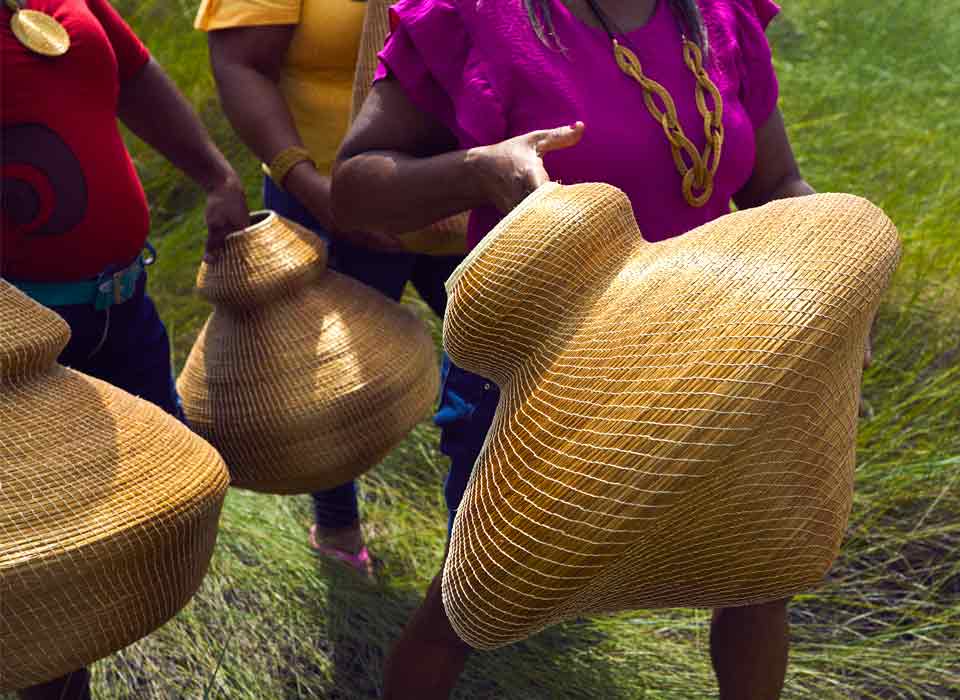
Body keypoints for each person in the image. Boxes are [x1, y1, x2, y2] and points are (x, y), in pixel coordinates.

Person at [331, 0, 855, 697]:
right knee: (476, 595)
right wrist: (478, 169)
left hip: (716, 357)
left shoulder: (717, 15)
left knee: (758, 576)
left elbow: (776, 184)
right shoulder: (474, 15)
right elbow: (356, 189)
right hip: (540, 372)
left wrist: (832, 274)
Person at [2, 0, 249, 697]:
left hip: (124, 311)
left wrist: (215, 174)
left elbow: (133, 75)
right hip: (22, 355)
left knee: (154, 515)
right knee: (48, 566)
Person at [195, 0, 467, 574]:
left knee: (510, 370)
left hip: (470, 200)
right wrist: (318, 190)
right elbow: (241, 64)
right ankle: (338, 529)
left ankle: (489, 545)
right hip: (330, 204)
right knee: (324, 391)